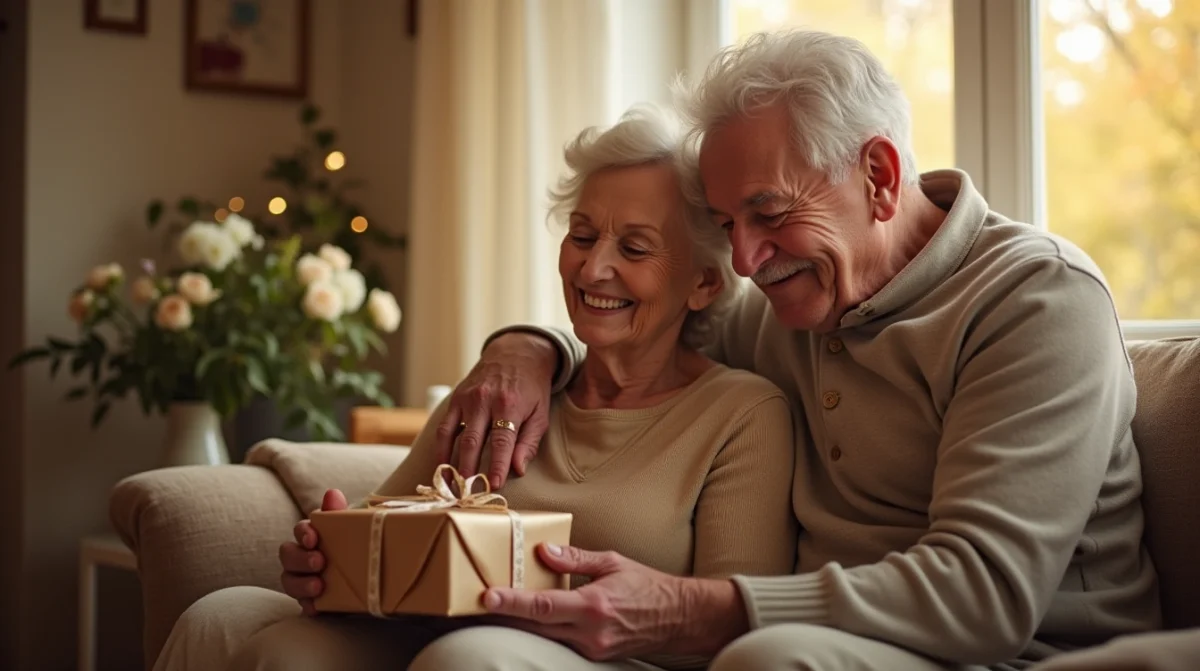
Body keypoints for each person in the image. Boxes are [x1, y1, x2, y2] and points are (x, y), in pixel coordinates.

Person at [423, 29, 1164, 671]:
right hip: (825, 642)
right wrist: (524, 349)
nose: (745, 259)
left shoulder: (1036, 300)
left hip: (1025, 651)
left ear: (878, 177)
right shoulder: (785, 306)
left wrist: (693, 607)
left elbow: (984, 595)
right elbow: (645, 324)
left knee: (766, 659)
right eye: (725, 222)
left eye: (769, 213)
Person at [151, 105, 799, 671]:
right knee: (226, 616)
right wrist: (334, 562)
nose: (592, 266)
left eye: (634, 248)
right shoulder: (507, 390)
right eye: (581, 235)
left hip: (613, 659)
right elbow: (382, 535)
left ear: (705, 283)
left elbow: (733, 636)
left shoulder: (742, 414)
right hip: (446, 638)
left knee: (467, 658)